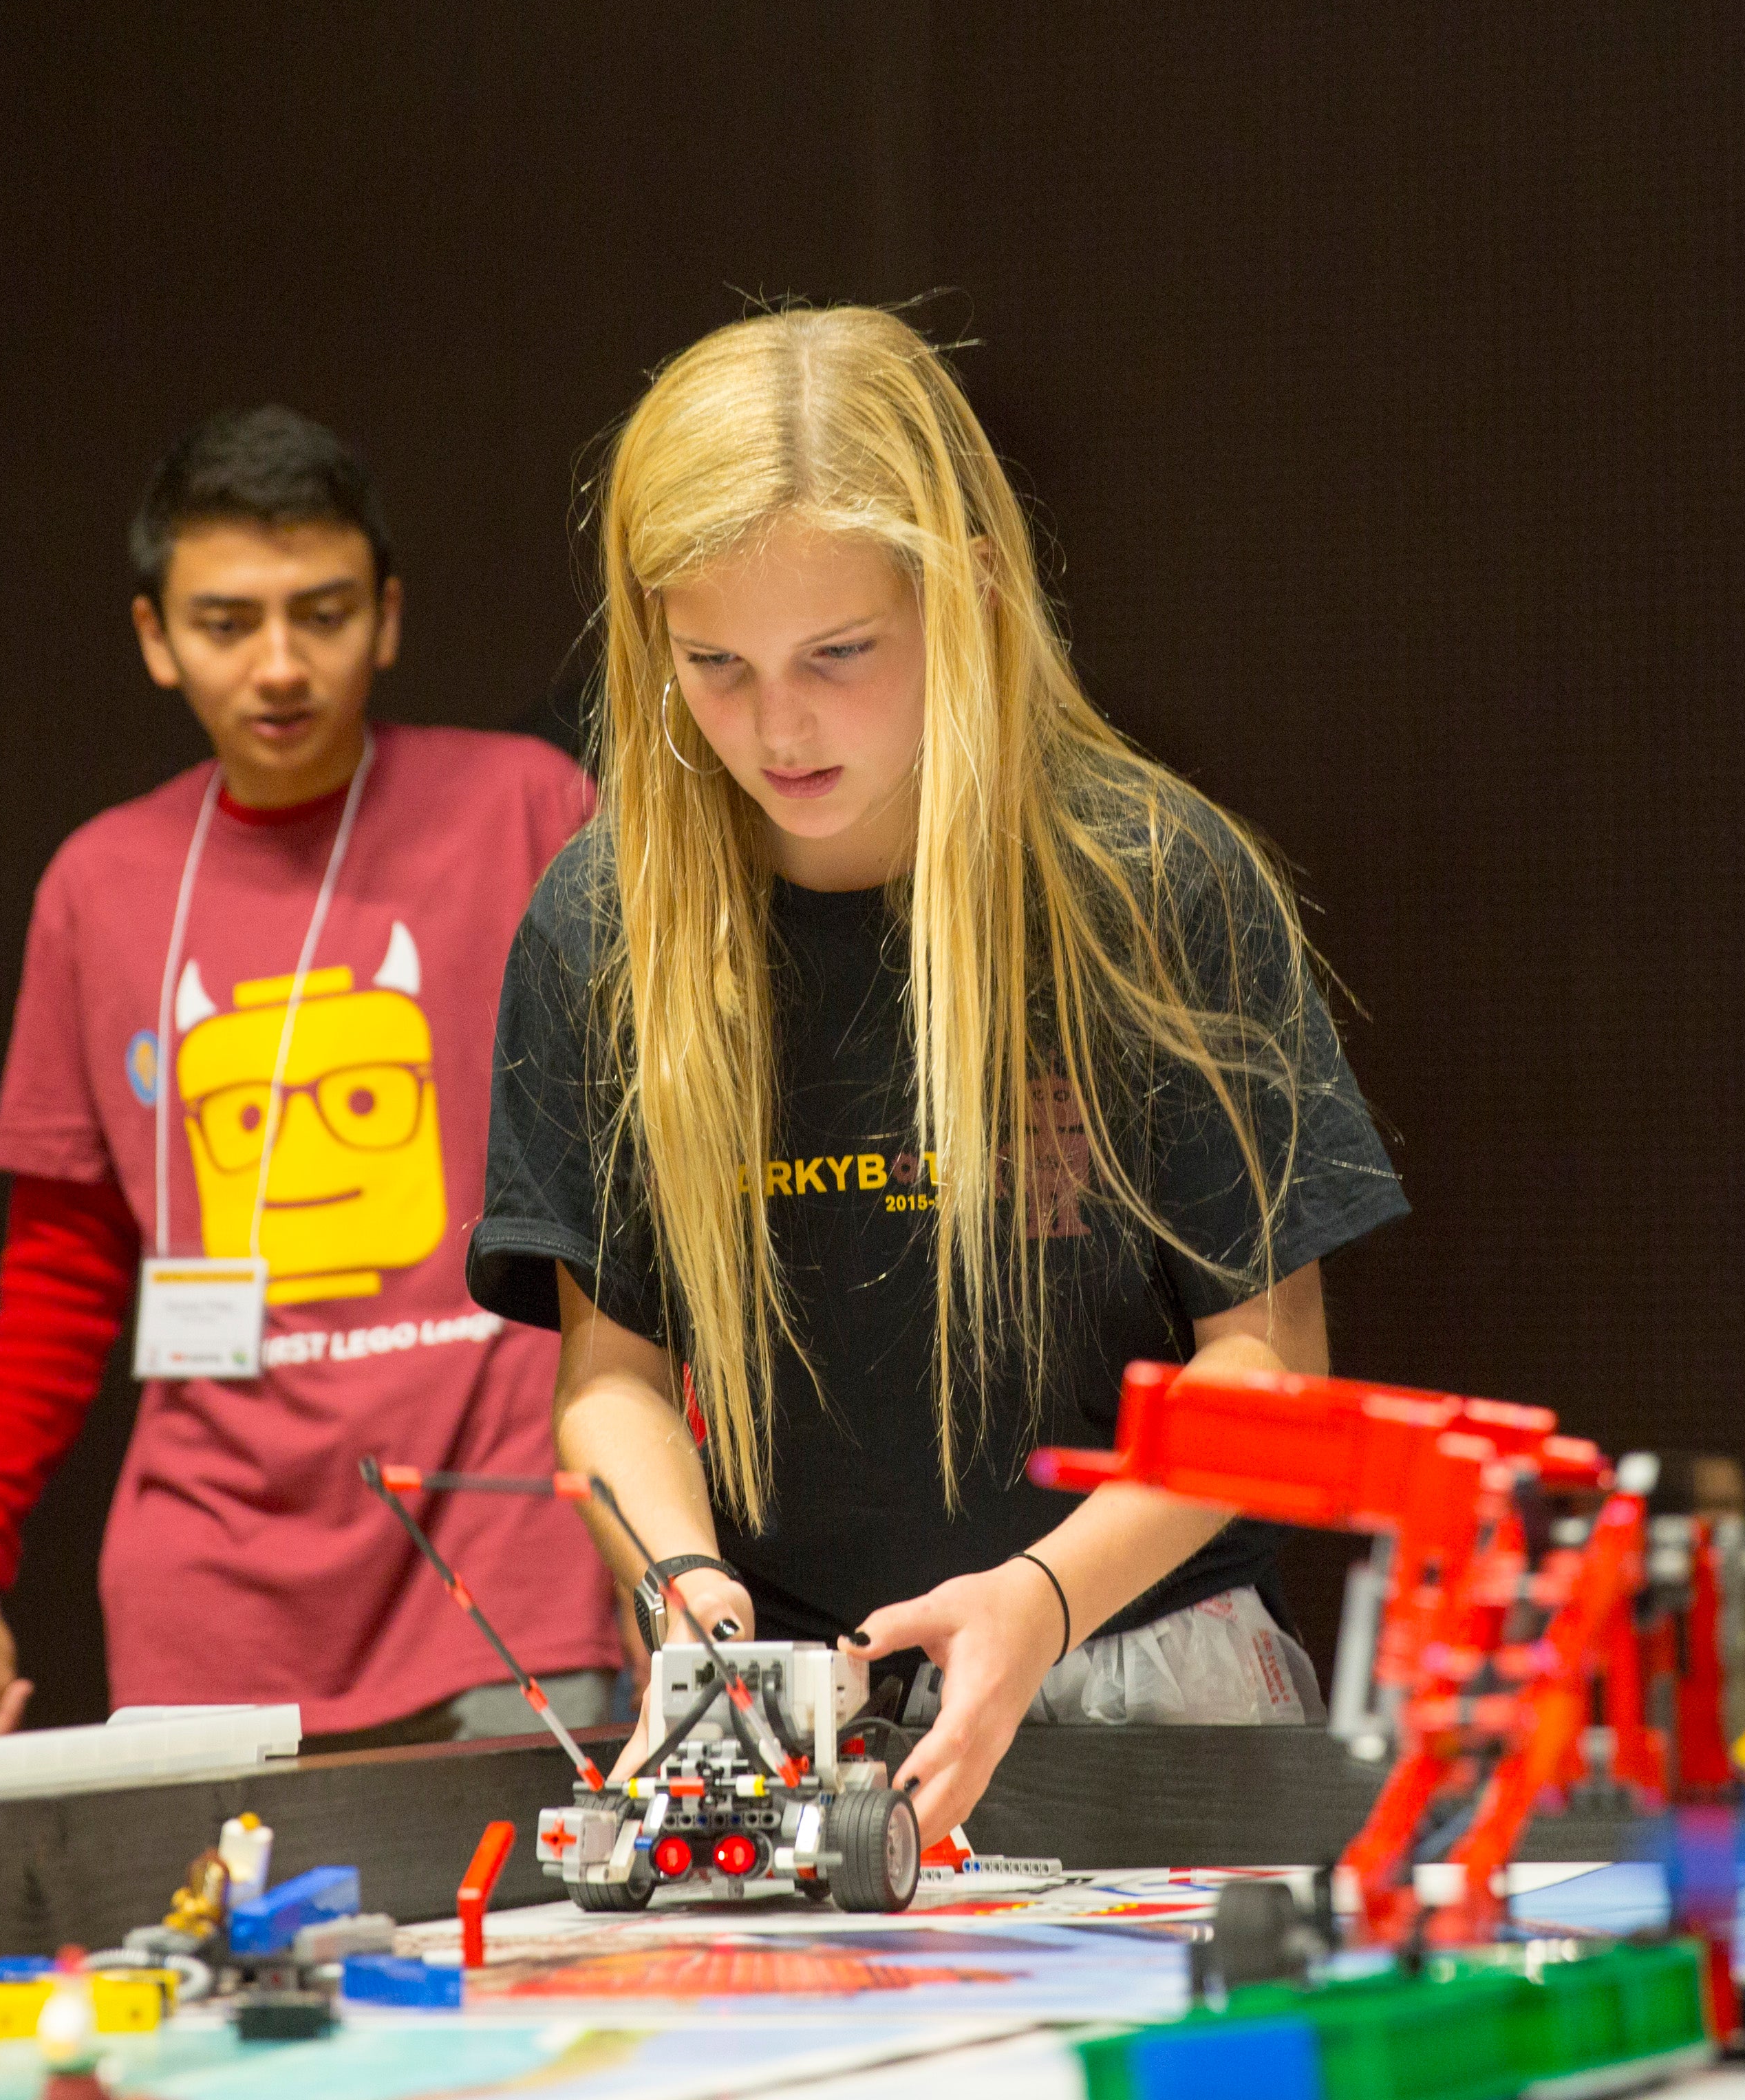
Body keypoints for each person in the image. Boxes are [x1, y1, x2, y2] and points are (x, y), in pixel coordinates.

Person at [467, 308, 1409, 1843]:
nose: (779, 726)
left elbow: (1269, 1373)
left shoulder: (1148, 880)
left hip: (1143, 1672)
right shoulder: (606, 922)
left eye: (840, 655)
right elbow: (615, 1374)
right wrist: (685, 1587)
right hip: (796, 1704)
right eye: (714, 665)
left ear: (966, 593)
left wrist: (1040, 1599)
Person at [0, 409, 627, 1742]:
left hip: (506, 1541)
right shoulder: (100, 886)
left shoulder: (527, 807)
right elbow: (63, 1264)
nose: (282, 666)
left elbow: (652, 1178)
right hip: (211, 1573)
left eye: (325, 612)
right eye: (229, 622)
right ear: (155, 637)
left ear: (389, 617)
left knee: (537, 1939)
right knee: (226, 1944)